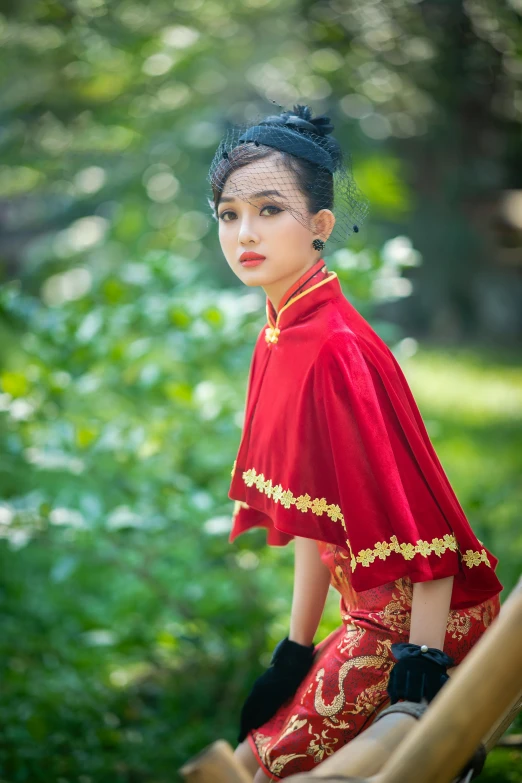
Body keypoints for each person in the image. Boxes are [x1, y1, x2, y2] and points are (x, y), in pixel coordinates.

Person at [206, 103, 503, 782]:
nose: (244, 233)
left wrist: (418, 674)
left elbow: (428, 531)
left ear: (320, 226)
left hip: (428, 615)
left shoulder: (336, 348)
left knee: (262, 767)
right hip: (366, 609)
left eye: (269, 210)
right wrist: (294, 647)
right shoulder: (281, 333)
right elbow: (317, 516)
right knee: (252, 754)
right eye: (229, 214)